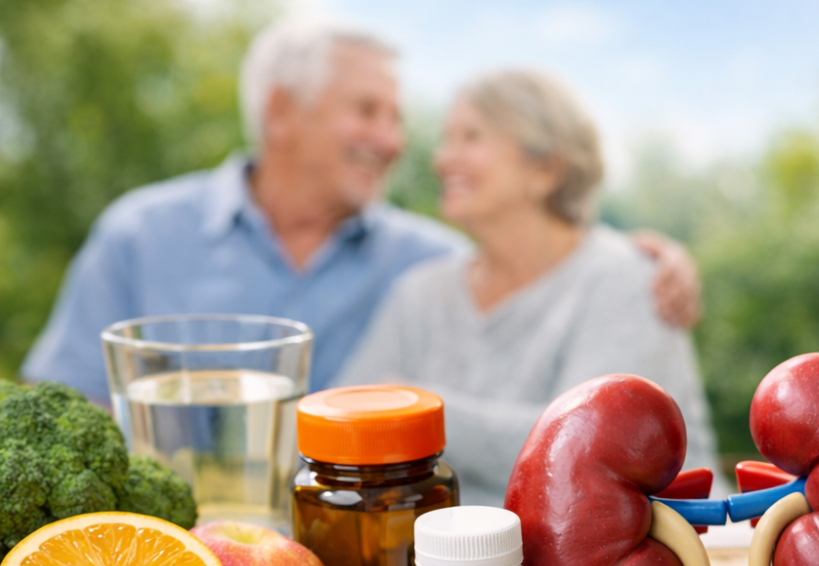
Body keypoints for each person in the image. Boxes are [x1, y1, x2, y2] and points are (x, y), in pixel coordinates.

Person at [19, 18, 701, 402]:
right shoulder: (140, 234)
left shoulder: (427, 261)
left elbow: (546, 263)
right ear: (282, 113)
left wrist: (650, 257)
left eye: (396, 118)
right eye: (367, 111)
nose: (394, 142)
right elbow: (60, 405)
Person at [334, 70, 717, 507]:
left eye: (470, 137)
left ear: (545, 169)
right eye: (446, 139)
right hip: (459, 548)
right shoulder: (420, 293)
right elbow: (338, 423)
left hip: (665, 544)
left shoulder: (627, 280)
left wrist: (412, 413)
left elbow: (588, 447)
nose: (441, 159)